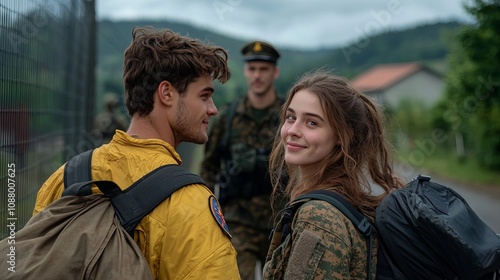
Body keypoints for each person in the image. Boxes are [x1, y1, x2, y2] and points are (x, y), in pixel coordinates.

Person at [33, 26, 240, 280]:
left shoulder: (63, 178)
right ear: (166, 93)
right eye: (205, 96)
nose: (213, 109)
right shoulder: (190, 203)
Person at [263, 71, 405, 279]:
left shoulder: (319, 217)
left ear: (342, 136)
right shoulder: (341, 199)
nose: (293, 130)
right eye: (291, 117)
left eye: (312, 123)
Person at [200, 40, 283, 280]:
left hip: (279, 221)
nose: (257, 75)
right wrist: (209, 213)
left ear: (274, 72)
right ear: (246, 71)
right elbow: (209, 166)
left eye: (264, 69)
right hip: (238, 221)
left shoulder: (288, 116)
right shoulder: (228, 117)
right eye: (252, 68)